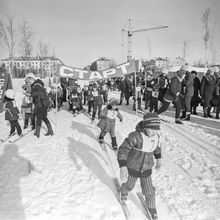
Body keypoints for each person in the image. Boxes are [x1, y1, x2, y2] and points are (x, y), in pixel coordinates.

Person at [117, 112, 162, 220]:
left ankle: (152, 209)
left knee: (149, 190)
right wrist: (123, 166)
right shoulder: (135, 136)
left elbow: (156, 148)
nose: (154, 132)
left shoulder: (156, 137)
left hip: (146, 169)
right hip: (132, 167)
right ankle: (123, 192)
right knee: (129, 185)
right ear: (145, 127)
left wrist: (159, 159)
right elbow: (123, 149)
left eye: (156, 129)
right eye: (151, 129)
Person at [26, 73, 54, 138]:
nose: (29, 82)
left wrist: (29, 94)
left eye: (29, 80)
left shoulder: (36, 85)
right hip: (44, 103)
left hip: (40, 104)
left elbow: (37, 93)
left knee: (39, 117)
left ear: (32, 78)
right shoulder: (38, 84)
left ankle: (37, 133)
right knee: (44, 117)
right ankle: (50, 131)